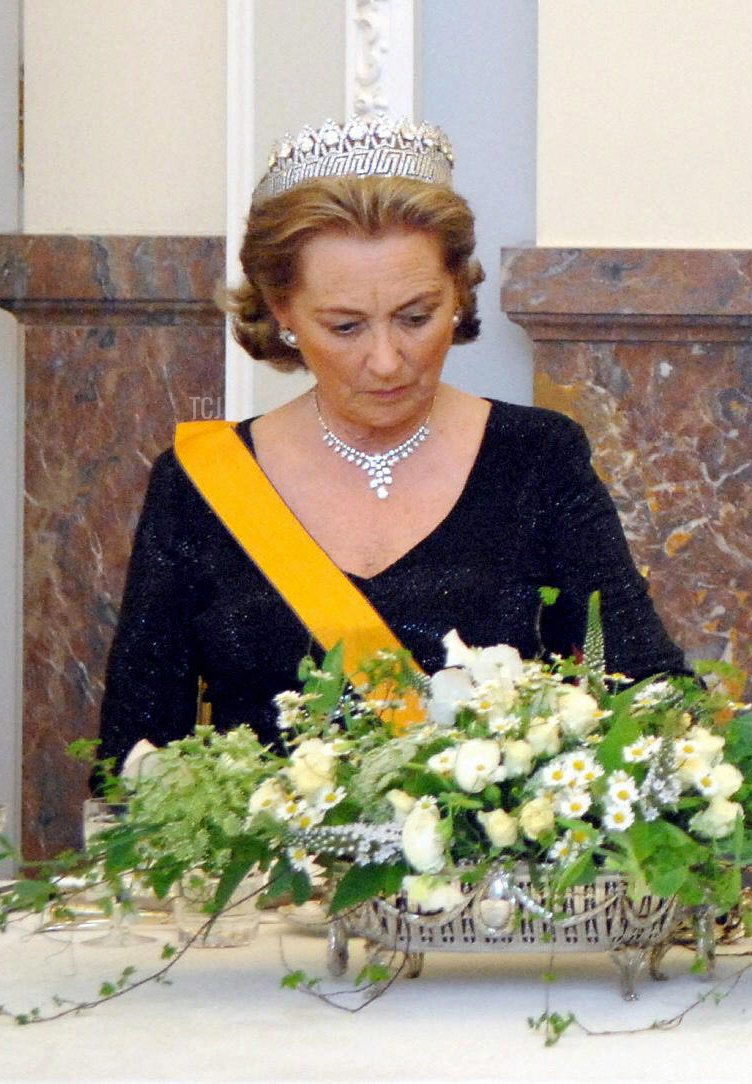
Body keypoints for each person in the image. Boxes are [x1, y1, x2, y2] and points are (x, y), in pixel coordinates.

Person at [97, 116, 687, 772]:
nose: (386, 360)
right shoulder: (203, 480)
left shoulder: (537, 458)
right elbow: (135, 755)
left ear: (457, 293)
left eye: (415, 317)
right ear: (282, 310)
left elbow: (647, 698)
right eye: (345, 326)